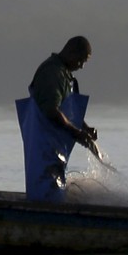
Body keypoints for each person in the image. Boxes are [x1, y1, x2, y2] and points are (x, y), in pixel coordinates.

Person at [21, 35, 101, 196]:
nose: (82, 66)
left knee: (54, 191)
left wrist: (83, 127)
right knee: (44, 191)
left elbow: (67, 111)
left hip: (55, 149)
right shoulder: (52, 72)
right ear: (71, 52)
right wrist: (75, 133)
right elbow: (51, 111)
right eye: (81, 60)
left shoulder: (64, 74)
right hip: (43, 147)